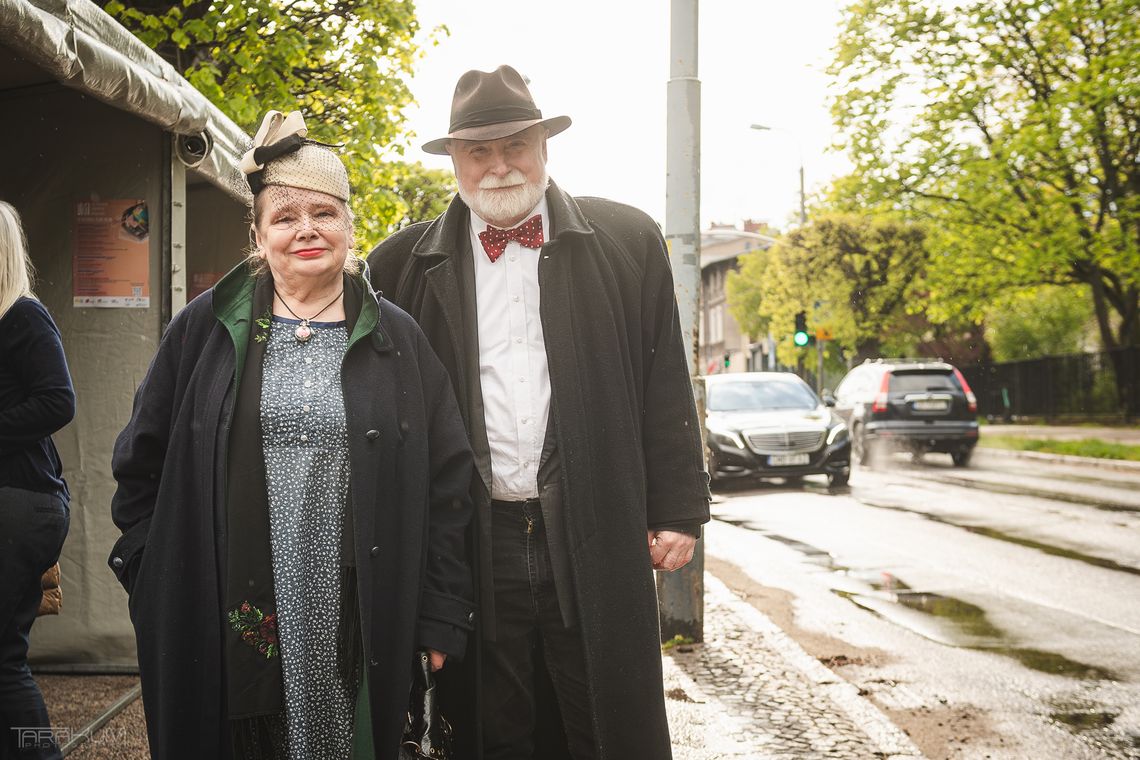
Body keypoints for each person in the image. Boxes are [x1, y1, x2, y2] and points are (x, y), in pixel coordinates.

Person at [367, 66, 711, 760]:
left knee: (603, 716)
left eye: (515, 145)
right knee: (494, 723)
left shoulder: (628, 239)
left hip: (594, 522)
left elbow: (663, 380)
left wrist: (677, 507)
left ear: (544, 147)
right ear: (454, 161)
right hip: (473, 532)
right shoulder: (399, 263)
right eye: (479, 151)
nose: (499, 167)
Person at [108, 110, 475, 760]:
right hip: (225, 605)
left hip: (354, 613)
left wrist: (439, 612)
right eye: (284, 216)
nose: (306, 229)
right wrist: (156, 578)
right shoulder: (204, 330)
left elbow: (450, 480)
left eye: (324, 213)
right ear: (258, 232)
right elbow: (140, 464)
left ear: (349, 225)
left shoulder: (396, 338)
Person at [0, 200, 75, 760]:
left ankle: (39, 754)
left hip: (19, 505)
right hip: (18, 504)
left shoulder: (21, 315)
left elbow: (57, 401)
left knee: (2, 657)